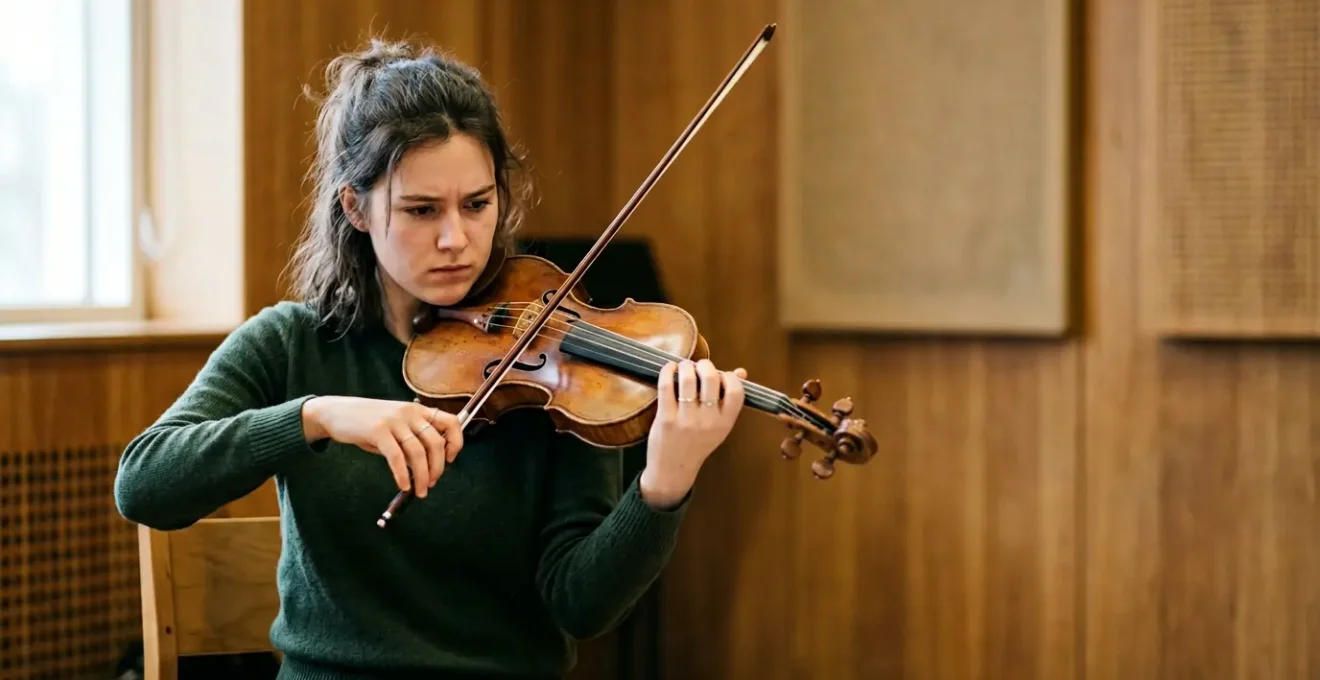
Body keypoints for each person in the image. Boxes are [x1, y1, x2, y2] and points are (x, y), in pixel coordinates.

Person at [113, 37, 747, 680]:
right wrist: (318, 416)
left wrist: (662, 484)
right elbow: (144, 484)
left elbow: (581, 607)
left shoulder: (559, 370)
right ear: (355, 207)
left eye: (477, 205)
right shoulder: (291, 343)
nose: (456, 239)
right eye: (421, 210)